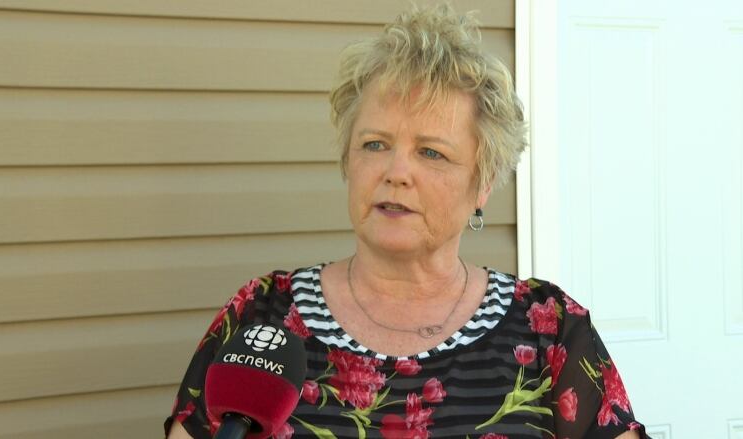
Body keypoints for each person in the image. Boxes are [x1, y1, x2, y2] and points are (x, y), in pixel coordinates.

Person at [165, 5, 649, 439]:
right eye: (375, 144)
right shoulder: (262, 317)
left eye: (431, 152)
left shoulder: (549, 331)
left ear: (482, 183)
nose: (396, 172)